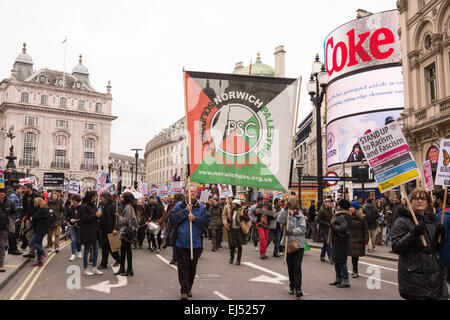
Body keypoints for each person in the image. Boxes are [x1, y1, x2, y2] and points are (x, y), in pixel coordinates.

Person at [392, 188, 446, 300]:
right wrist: (413, 234)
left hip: (434, 279)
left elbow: (437, 248)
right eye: (416, 198)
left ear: (427, 202)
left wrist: (441, 236)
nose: (420, 201)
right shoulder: (402, 221)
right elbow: (396, 247)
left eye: (423, 198)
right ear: (410, 202)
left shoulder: (432, 221)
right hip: (414, 281)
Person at [171, 185, 210, 300]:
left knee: (192, 268)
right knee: (183, 267)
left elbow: (206, 222)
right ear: (186, 194)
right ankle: (184, 290)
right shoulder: (179, 205)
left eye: (194, 192)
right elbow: (173, 219)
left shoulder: (201, 208)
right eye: (191, 191)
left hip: (196, 243)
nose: (193, 193)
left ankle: (189, 288)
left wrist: (195, 219)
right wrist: (185, 211)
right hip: (181, 243)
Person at [278, 196, 306, 298]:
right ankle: (292, 286)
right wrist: (284, 209)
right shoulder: (286, 213)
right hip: (288, 244)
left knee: (297, 266)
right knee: (290, 266)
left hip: (299, 244)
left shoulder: (300, 215)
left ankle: (298, 288)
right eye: (289, 202)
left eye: (291, 202)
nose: (290, 203)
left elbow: (303, 229)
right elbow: (280, 220)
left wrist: (292, 231)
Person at [329, 199, 352, 288]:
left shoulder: (343, 215)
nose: (337, 206)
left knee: (341, 261)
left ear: (341, 206)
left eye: (338, 205)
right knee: (336, 261)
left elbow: (343, 228)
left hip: (341, 241)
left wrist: (332, 225)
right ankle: (338, 279)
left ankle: (345, 281)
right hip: (338, 240)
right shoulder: (341, 214)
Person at [79, 191, 103, 276]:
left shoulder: (94, 205)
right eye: (96, 196)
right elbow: (84, 219)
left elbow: (95, 217)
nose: (97, 198)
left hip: (95, 230)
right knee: (86, 250)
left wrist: (99, 216)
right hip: (87, 231)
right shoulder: (84, 206)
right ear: (92, 197)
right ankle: (86, 268)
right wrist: (96, 215)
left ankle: (94, 268)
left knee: (96, 250)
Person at [114, 192, 137, 276]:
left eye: (123, 197)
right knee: (123, 250)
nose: (121, 198)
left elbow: (127, 220)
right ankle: (122, 268)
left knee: (127, 251)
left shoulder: (128, 207)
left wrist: (118, 217)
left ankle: (129, 269)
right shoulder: (127, 207)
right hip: (125, 232)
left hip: (127, 232)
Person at [98, 191, 121, 269]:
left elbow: (115, 218)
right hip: (104, 229)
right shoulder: (103, 205)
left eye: (101, 197)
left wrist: (115, 228)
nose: (100, 198)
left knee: (110, 247)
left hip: (110, 229)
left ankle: (107, 262)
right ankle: (107, 262)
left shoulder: (112, 206)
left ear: (105, 197)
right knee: (106, 247)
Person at [434, 189, 450, 290]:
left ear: (439, 200)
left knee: (442, 281)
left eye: (434, 198)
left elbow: (441, 238)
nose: (433, 199)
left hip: (444, 255)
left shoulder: (443, 216)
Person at [348, 201, 369, 278]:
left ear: (356, 208)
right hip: (350, 239)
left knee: (355, 257)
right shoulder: (348, 217)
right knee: (353, 256)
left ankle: (355, 271)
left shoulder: (362, 218)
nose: (350, 209)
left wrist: (366, 240)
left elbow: (366, 229)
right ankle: (354, 270)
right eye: (350, 207)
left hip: (359, 240)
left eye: (352, 207)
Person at [225, 199, 249, 265]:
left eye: (233, 204)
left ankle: (238, 260)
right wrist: (228, 219)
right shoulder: (231, 211)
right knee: (232, 245)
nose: (232, 205)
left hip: (239, 230)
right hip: (232, 230)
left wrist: (242, 215)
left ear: (237, 205)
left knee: (239, 245)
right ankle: (231, 258)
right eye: (232, 204)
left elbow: (247, 219)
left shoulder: (242, 210)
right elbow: (229, 221)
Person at [21, 183, 41, 259]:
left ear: (30, 188)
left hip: (37, 219)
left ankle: (40, 253)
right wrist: (23, 217)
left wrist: (35, 216)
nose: (23, 190)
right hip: (29, 218)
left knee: (37, 236)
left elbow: (41, 207)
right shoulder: (25, 197)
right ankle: (31, 252)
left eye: (25, 188)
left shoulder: (37, 196)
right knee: (28, 235)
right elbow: (24, 208)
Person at [28, 197, 50, 267]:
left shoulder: (42, 210)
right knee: (38, 244)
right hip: (40, 229)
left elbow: (35, 217)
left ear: (38, 202)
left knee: (32, 242)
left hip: (40, 230)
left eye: (35, 202)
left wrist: (32, 218)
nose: (34, 204)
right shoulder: (42, 209)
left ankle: (44, 252)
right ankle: (39, 261)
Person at [0, 188, 16, 272]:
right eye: (0, 193)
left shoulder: (10, 202)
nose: (2, 194)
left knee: (1, 246)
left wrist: (11, 219)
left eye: (3, 193)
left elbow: (14, 212)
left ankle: (1, 265)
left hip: (4, 227)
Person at [255, 194, 273, 260]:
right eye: (264, 198)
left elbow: (271, 217)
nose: (265, 200)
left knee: (266, 240)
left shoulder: (270, 206)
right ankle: (262, 253)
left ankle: (264, 253)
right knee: (262, 238)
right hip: (259, 224)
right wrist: (256, 212)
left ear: (268, 200)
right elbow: (254, 213)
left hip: (266, 225)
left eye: (267, 199)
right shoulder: (259, 205)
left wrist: (274, 215)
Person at [317, 197, 333, 263]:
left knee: (325, 244)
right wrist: (326, 223)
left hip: (329, 229)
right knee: (328, 243)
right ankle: (331, 258)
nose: (331, 203)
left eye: (331, 202)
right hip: (323, 230)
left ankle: (322, 256)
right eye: (329, 202)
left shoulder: (330, 210)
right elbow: (318, 219)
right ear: (325, 203)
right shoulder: (322, 210)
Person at [7, 184, 23, 255]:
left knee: (16, 234)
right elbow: (13, 208)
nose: (21, 190)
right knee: (12, 234)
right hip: (14, 218)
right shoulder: (13, 197)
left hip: (18, 217)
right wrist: (22, 207)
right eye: (20, 189)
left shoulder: (19, 196)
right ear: (16, 189)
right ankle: (12, 249)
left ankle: (14, 248)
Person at [66, 194, 82, 261]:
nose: (74, 202)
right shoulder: (70, 208)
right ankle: (73, 254)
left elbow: (83, 217)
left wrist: (78, 219)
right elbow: (67, 217)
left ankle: (79, 251)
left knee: (78, 240)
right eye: (73, 200)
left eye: (75, 200)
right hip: (71, 226)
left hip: (79, 226)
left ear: (78, 201)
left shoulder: (81, 208)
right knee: (73, 240)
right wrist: (70, 220)